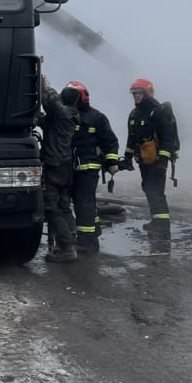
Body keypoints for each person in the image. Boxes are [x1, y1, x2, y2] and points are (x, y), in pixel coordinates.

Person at [64, 81, 120, 254]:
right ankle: (93, 230)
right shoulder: (67, 115)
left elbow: (111, 141)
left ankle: (88, 242)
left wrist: (112, 162)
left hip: (89, 168)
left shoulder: (96, 117)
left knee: (83, 203)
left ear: (82, 97)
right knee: (85, 202)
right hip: (72, 167)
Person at [119, 78, 175, 242]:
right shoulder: (134, 114)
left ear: (147, 94)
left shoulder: (158, 112)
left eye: (139, 94)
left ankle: (163, 227)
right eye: (134, 94)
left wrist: (163, 162)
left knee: (156, 191)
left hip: (157, 161)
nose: (136, 97)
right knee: (147, 188)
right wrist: (127, 158)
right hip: (143, 160)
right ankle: (156, 221)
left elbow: (167, 139)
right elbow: (131, 140)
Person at [39, 76, 81, 262]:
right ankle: (71, 243)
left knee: (51, 208)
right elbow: (48, 121)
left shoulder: (61, 113)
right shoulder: (71, 114)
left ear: (62, 99)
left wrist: (43, 81)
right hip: (65, 166)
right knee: (64, 206)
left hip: (54, 165)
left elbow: (48, 99)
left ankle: (66, 248)